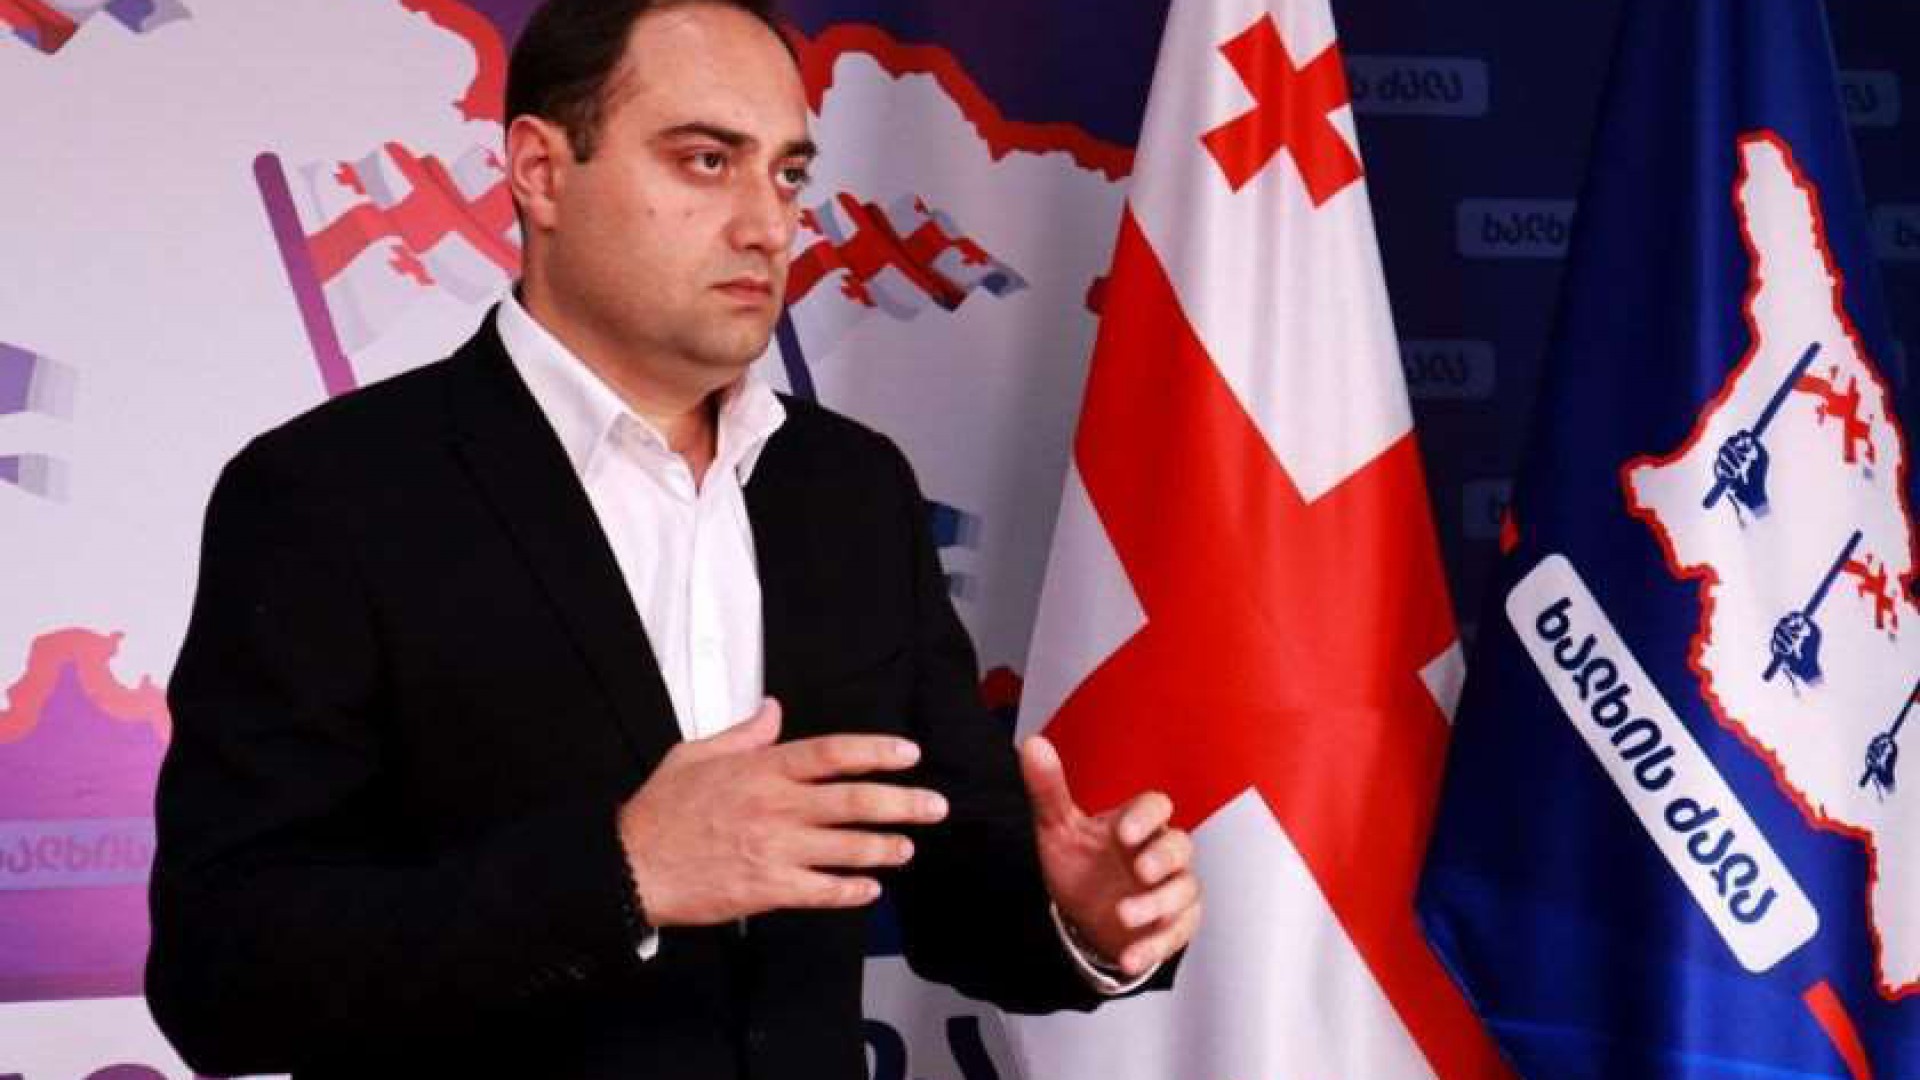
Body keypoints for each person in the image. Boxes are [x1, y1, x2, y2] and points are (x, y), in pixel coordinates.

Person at [145, 0, 1201, 1076]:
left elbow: (951, 870)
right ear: (540, 171)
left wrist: (1076, 917)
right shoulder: (330, 495)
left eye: (788, 174)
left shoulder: (851, 489)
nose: (769, 225)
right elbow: (223, 979)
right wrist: (624, 875)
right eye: (707, 161)